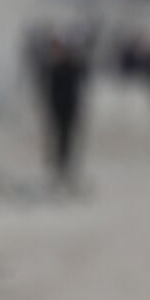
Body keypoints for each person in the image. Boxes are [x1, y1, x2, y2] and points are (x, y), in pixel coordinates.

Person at [28, 28, 90, 185]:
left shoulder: (72, 66)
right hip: (55, 107)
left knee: (67, 137)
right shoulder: (51, 67)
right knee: (54, 137)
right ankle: (55, 167)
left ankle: (65, 167)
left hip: (69, 107)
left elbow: (83, 73)